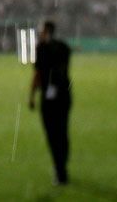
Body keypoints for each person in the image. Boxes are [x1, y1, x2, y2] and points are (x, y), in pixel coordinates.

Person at [27, 20, 72, 186]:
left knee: (53, 135)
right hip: (64, 95)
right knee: (63, 132)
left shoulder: (42, 49)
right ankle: (62, 166)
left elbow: (38, 74)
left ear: (45, 31)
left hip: (49, 97)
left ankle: (60, 170)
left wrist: (31, 96)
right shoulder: (64, 47)